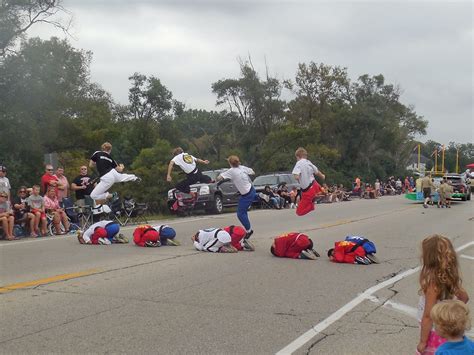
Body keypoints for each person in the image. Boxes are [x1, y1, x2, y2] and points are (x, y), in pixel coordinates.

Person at [416, 235, 469, 355]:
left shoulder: (433, 284)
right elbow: (464, 298)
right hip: (449, 333)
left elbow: (428, 316)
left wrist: (423, 341)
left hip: (435, 333)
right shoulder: (449, 278)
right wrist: (452, 314)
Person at [217, 155, 255, 246]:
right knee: (244, 211)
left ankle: (249, 231)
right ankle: (258, 196)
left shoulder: (231, 171)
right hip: (251, 190)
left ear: (230, 163)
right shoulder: (242, 168)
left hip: (247, 195)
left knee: (240, 214)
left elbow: (219, 178)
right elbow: (253, 172)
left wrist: (218, 178)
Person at [292, 147, 325, 216]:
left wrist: (297, 178)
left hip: (308, 190)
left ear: (298, 156)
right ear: (305, 156)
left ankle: (311, 206)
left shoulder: (298, 163)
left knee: (299, 212)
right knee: (302, 196)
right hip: (315, 185)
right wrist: (322, 176)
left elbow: (296, 176)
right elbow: (317, 172)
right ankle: (320, 192)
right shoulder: (308, 162)